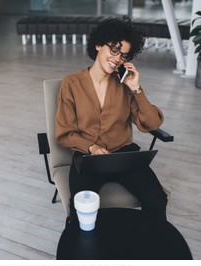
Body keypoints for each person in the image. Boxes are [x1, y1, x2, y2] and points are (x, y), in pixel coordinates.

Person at [55, 16, 168, 224]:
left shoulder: (125, 85)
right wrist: (91, 148)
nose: (117, 58)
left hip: (124, 155)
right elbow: (64, 133)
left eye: (123, 55)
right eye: (114, 50)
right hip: (88, 159)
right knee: (81, 211)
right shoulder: (71, 84)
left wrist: (136, 89)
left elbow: (151, 124)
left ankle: (148, 243)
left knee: (157, 199)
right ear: (98, 44)